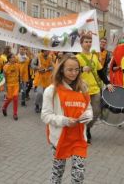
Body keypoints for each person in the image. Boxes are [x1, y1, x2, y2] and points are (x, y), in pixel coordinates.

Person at [41, 54, 93, 183]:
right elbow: (45, 116)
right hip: (60, 138)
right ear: (62, 69)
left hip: (78, 138)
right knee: (57, 172)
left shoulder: (83, 88)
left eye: (77, 69)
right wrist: (65, 121)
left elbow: (88, 108)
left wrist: (87, 117)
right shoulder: (51, 91)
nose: (74, 73)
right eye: (70, 69)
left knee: (78, 175)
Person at [76, 33, 114, 144]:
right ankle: (82, 132)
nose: (88, 44)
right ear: (81, 44)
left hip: (95, 89)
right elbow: (71, 71)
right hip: (82, 90)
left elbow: (100, 72)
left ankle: (87, 128)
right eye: (86, 42)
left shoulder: (94, 57)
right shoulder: (77, 58)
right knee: (84, 113)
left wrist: (107, 83)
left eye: (89, 42)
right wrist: (82, 69)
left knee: (96, 111)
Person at [2, 53, 20, 120]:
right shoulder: (5, 67)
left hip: (16, 84)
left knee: (15, 97)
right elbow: (4, 78)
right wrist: (5, 88)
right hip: (9, 85)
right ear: (9, 59)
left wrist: (20, 84)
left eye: (14, 57)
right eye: (12, 57)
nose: (14, 59)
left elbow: (19, 75)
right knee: (9, 98)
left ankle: (15, 114)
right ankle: (4, 107)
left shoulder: (17, 65)